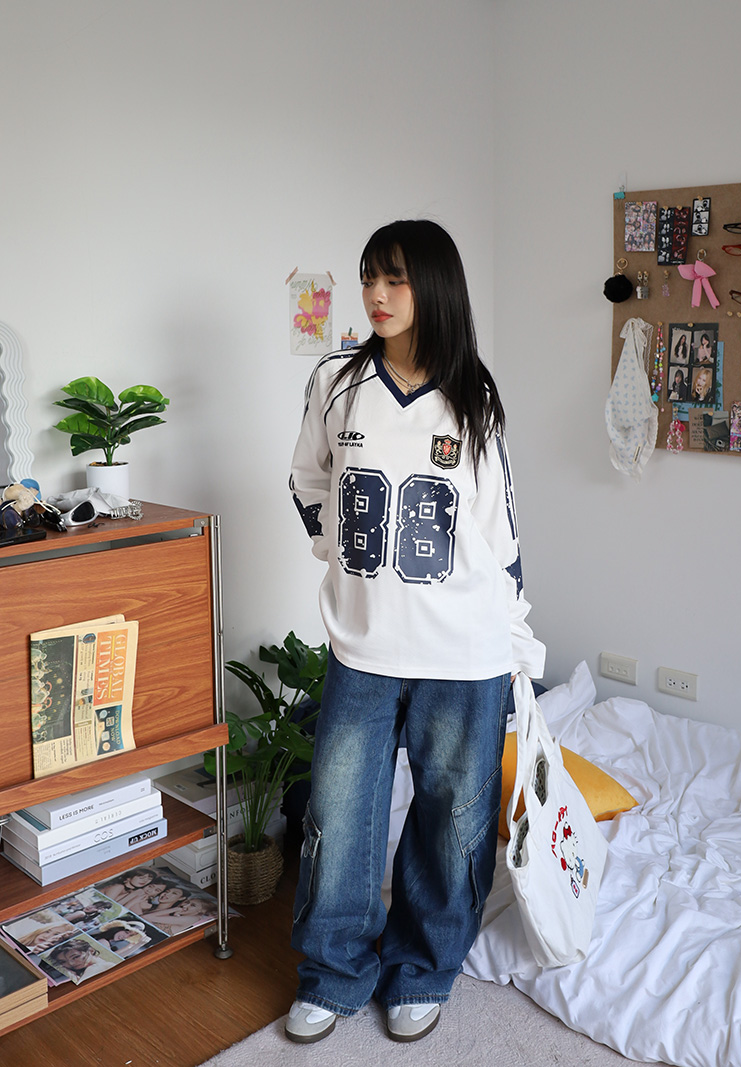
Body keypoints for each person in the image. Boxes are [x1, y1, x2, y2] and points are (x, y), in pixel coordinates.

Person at [286, 219, 545, 1044]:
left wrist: (519, 649)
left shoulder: (475, 397)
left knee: (451, 821)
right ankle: (332, 973)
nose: (376, 293)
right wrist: (340, 552)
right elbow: (307, 479)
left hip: (462, 652)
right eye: (369, 276)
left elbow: (501, 538)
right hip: (361, 646)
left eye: (394, 277)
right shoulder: (335, 382)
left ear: (432, 287)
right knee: (338, 818)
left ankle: (423, 968)